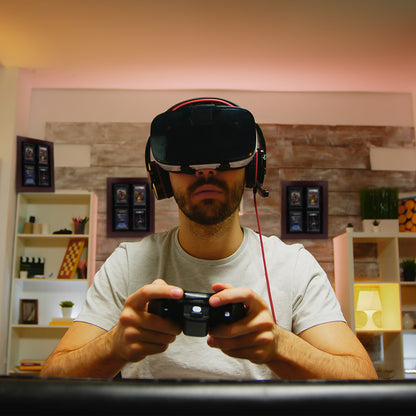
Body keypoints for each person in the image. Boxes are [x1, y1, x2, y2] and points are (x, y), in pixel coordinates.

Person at [40, 98, 377, 380]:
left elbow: (362, 377)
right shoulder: (128, 263)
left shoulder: (293, 266)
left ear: (253, 168)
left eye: (224, 154)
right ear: (161, 176)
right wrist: (113, 345)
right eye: (187, 159)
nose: (204, 171)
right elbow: (51, 377)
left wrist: (278, 345)